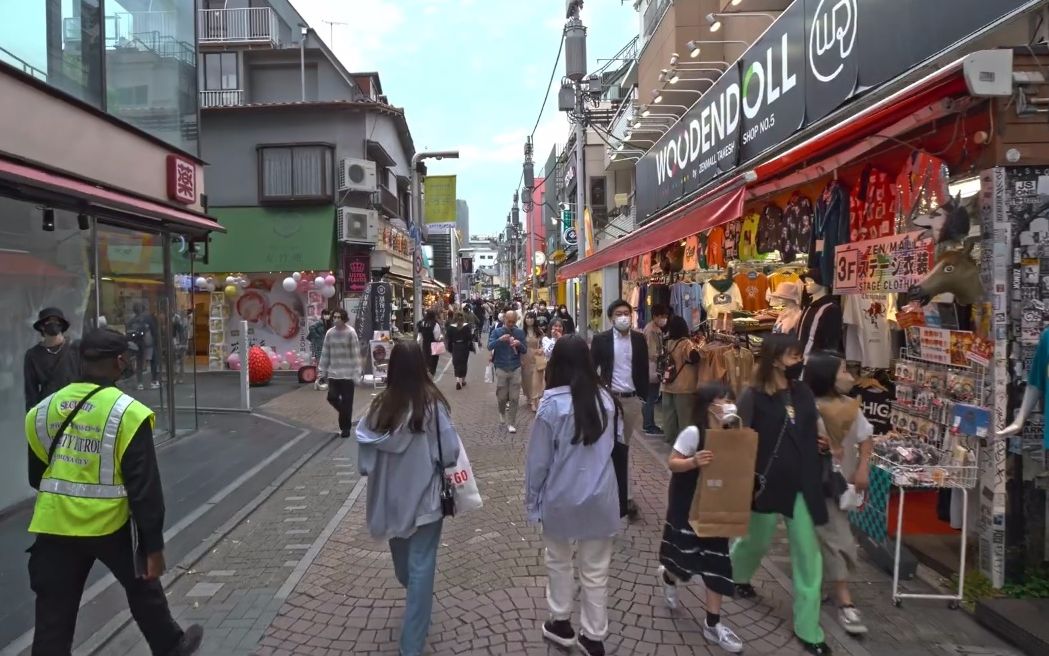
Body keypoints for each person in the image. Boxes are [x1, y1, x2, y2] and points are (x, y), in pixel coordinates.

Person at [25, 328, 203, 655]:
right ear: (120, 361)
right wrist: (153, 546)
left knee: (53, 617)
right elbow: (144, 487)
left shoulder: (44, 410)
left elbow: (37, 475)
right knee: (143, 590)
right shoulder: (126, 412)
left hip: (54, 525)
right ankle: (171, 647)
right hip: (110, 525)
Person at [354, 341, 460, 656]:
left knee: (406, 567)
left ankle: (416, 616)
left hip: (390, 499)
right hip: (426, 497)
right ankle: (413, 638)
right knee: (421, 567)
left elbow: (364, 462)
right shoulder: (433, 405)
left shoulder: (380, 407)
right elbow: (450, 453)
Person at [731, 334, 831, 656]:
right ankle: (736, 575)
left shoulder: (802, 391)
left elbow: (813, 424)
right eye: (793, 354)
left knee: (807, 553)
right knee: (755, 540)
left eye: (799, 354)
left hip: (803, 481)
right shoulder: (753, 395)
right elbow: (739, 439)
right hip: (767, 481)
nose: (798, 360)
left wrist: (822, 441)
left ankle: (809, 629)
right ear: (774, 358)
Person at [525, 335, 623, 656]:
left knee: (558, 562)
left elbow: (538, 463)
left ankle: (561, 623)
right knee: (595, 572)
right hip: (601, 497)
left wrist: (532, 502)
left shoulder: (551, 405)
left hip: (560, 497)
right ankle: (594, 637)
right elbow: (616, 449)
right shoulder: (607, 400)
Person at [657, 382, 744, 654]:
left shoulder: (734, 433)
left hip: (717, 508)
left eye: (730, 399)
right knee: (683, 561)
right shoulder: (694, 432)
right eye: (722, 400)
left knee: (716, 563)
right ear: (708, 405)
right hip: (688, 505)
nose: (728, 404)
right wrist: (694, 461)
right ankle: (670, 577)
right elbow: (673, 462)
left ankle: (712, 623)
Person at [804, 352, 873, 636]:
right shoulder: (804, 405)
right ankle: (825, 592)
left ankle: (843, 599)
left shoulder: (851, 407)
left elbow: (866, 439)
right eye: (842, 369)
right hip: (806, 483)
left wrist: (863, 469)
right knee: (813, 538)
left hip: (837, 485)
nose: (848, 375)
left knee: (839, 537)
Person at [590, 300, 649, 520]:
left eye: (627, 313)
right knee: (611, 445)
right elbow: (591, 368)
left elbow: (642, 369)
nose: (624, 317)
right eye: (619, 313)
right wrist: (597, 394)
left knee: (623, 445)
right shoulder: (601, 340)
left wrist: (643, 397)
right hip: (609, 400)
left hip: (632, 401)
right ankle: (624, 496)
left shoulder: (640, 339)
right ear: (611, 317)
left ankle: (621, 492)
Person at [24, 307, 80, 412]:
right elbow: (31, 391)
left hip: (76, 405)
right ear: (41, 326)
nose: (53, 324)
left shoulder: (76, 348)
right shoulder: (33, 355)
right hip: (48, 408)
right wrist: (32, 416)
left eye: (56, 321)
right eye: (48, 322)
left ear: (62, 325)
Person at [318, 308, 362, 438]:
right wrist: (322, 370)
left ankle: (345, 429)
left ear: (344, 318)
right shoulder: (330, 333)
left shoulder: (350, 333)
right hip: (334, 373)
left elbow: (355, 354)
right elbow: (326, 352)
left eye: (338, 317)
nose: (335, 320)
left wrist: (356, 372)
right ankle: (345, 413)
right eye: (334, 317)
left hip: (348, 374)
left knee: (347, 401)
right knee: (332, 397)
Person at [661, 315, 701, 445]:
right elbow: (694, 358)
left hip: (667, 385)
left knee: (669, 415)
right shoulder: (686, 344)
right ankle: (685, 444)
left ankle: (670, 438)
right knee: (685, 417)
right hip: (684, 386)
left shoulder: (668, 342)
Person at [488, 309, 527, 434]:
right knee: (502, 397)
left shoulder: (519, 332)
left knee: (515, 398)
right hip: (501, 367)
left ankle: (511, 423)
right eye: (509, 321)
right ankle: (501, 411)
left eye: (513, 322)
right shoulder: (496, 331)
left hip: (515, 367)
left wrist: (519, 344)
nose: (511, 324)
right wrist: (500, 340)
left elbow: (525, 350)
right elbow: (489, 346)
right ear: (504, 319)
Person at [642, 304, 670, 435]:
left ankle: (649, 424)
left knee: (650, 397)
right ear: (655, 316)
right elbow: (652, 352)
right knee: (650, 398)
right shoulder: (651, 330)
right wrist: (663, 355)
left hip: (651, 369)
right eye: (662, 316)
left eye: (666, 316)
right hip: (651, 369)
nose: (664, 319)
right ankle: (648, 425)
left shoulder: (655, 329)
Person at [127, 303, 159, 391]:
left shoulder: (132, 320)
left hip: (138, 343)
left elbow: (128, 331)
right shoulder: (149, 318)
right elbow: (154, 330)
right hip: (149, 343)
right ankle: (154, 381)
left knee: (139, 363)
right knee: (154, 362)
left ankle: (140, 383)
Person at [522, 311, 545, 412]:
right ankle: (528, 396)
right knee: (526, 379)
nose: (529, 320)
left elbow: (544, 343)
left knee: (534, 379)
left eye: (531, 318)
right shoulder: (521, 332)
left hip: (536, 357)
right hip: (525, 357)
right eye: (527, 318)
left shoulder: (539, 331)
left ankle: (533, 400)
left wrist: (542, 349)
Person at [445, 311, 475, 390]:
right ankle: (463, 380)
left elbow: (448, 338)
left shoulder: (451, 327)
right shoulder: (466, 326)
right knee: (464, 363)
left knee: (456, 363)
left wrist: (449, 348)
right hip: (464, 346)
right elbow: (470, 337)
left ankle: (458, 380)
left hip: (455, 346)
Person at [417, 310, 442, 376]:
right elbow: (437, 337)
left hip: (425, 345)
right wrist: (441, 338)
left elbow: (419, 337)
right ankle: (431, 377)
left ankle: (426, 377)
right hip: (434, 345)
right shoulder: (435, 324)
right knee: (433, 364)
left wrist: (419, 344)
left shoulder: (421, 323)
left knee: (426, 361)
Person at [172, 309, 192, 385]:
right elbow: (187, 335)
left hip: (178, 344)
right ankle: (180, 378)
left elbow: (174, 335)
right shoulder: (185, 323)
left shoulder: (176, 323)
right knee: (180, 362)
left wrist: (176, 344)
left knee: (176, 362)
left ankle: (176, 378)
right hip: (182, 344)